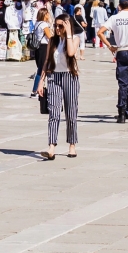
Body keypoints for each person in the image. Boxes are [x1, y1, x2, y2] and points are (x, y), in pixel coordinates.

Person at [37, 13, 82, 160]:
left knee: (71, 113)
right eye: (55, 25)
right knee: (53, 113)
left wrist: (68, 34)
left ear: (68, 26)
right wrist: (41, 81)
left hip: (70, 77)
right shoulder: (52, 40)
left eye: (60, 26)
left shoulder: (75, 39)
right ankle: (51, 146)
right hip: (54, 77)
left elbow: (71, 52)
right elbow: (47, 62)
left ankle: (72, 145)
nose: (57, 28)